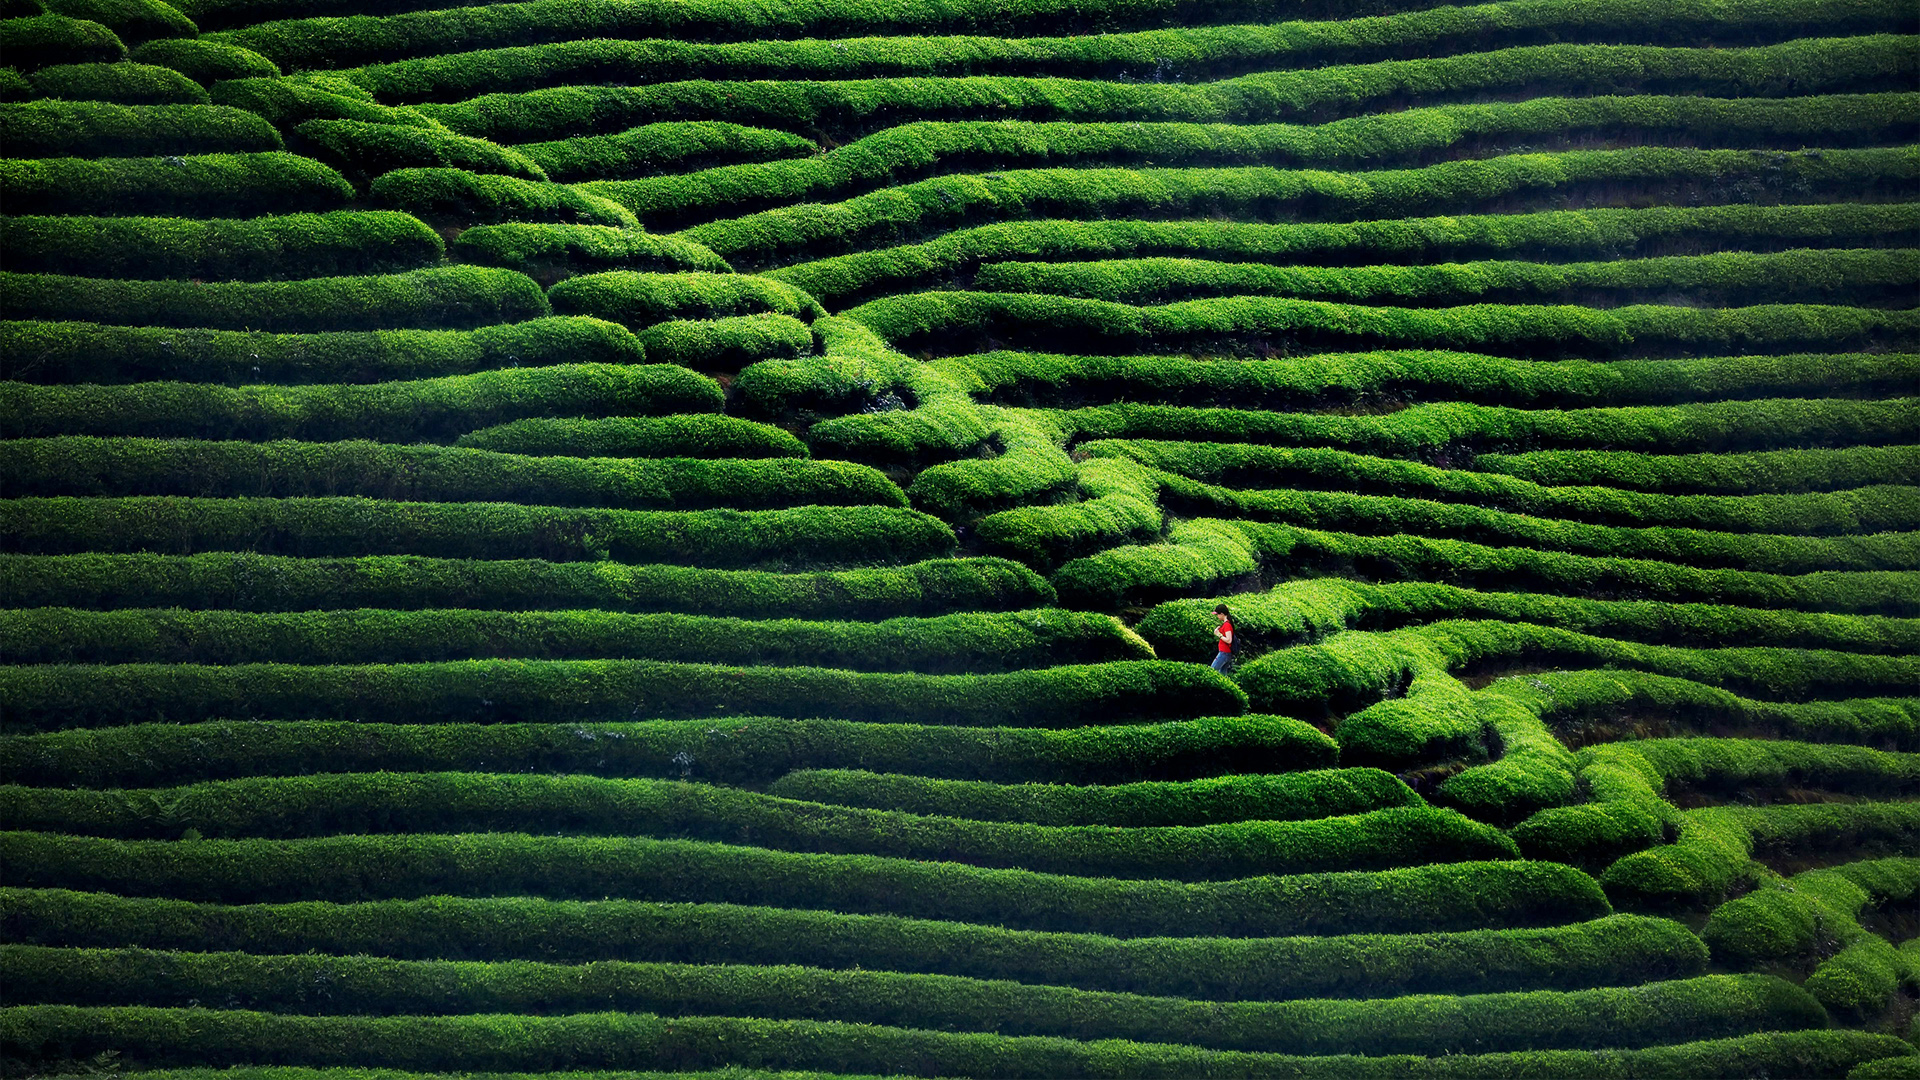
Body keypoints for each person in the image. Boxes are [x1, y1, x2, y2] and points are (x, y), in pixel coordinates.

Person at [1211, 604, 1234, 672]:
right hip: (1226, 653)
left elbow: (1229, 640)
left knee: (1212, 671)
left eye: (1217, 614)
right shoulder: (1227, 624)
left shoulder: (1227, 625)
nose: (1217, 616)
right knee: (1222, 674)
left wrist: (1218, 634)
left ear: (1222, 614)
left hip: (1224, 652)